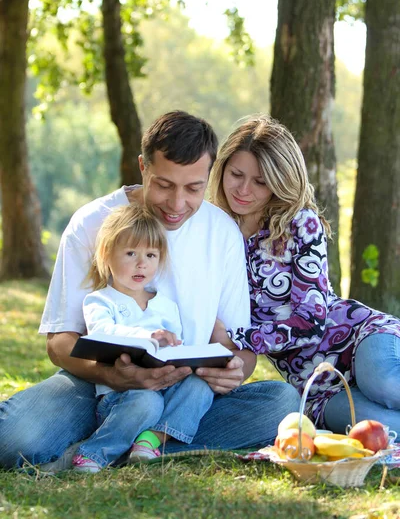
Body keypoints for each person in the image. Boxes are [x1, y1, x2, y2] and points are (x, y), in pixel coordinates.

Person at [0, 110, 300, 471]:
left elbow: (238, 348)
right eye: (164, 185)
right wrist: (112, 375)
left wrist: (235, 370)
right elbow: (59, 343)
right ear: (143, 166)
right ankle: (133, 443)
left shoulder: (222, 232)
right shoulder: (92, 222)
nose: (177, 204)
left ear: (209, 176)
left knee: (280, 401)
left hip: (184, 390)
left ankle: (111, 448)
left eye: (193, 188)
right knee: (12, 440)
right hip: (98, 387)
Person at [209, 113, 400, 437]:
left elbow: (310, 323)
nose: (243, 190)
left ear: (281, 181)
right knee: (385, 429)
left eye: (261, 181)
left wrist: (237, 337)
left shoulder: (300, 223)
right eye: (236, 174)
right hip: (316, 390)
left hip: (359, 339)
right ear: (222, 169)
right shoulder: (212, 230)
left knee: (383, 383)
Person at [72, 204, 215, 472]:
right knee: (147, 401)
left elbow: (176, 348)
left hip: (166, 386)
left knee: (200, 386)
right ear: (106, 255)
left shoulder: (167, 305)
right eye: (130, 253)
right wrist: (148, 337)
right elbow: (102, 333)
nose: (142, 263)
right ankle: (93, 454)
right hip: (122, 396)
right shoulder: (100, 301)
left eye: (150, 254)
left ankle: (150, 441)